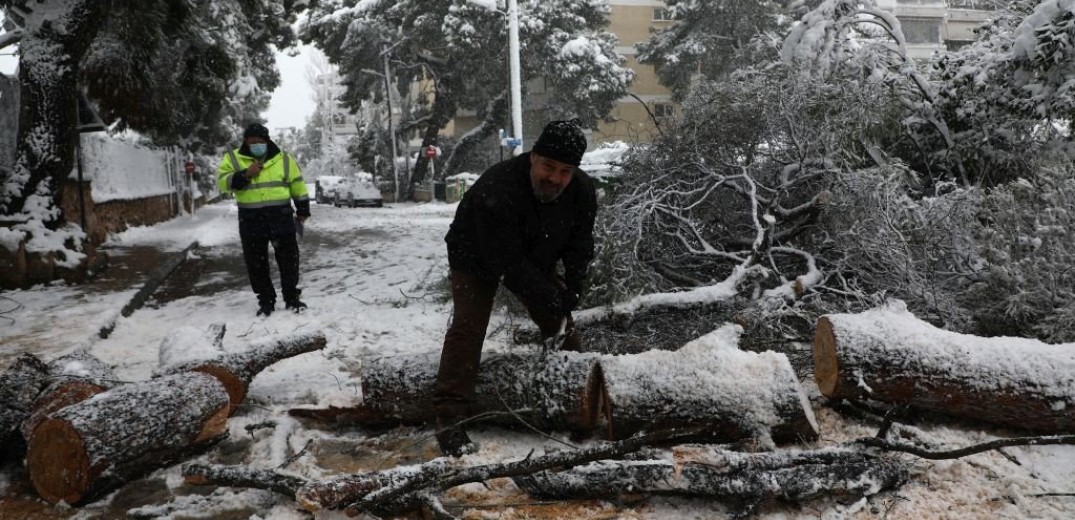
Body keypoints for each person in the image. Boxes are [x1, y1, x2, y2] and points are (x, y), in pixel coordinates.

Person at [433, 119, 598, 456]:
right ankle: (448, 418)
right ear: (533, 157)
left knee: (561, 322)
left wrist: (572, 290)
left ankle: (579, 399)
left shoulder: (581, 192)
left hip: (533, 249)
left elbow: (580, 244)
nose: (554, 178)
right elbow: (506, 265)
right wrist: (550, 294)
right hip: (475, 252)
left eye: (564, 171)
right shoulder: (498, 188)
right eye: (548, 167)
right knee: (469, 325)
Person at [217, 123, 311, 316]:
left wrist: (302, 209)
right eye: (253, 142)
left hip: (281, 217)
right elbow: (222, 183)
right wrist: (245, 174)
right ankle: (266, 301)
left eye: (261, 141)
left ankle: (292, 297)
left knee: (289, 261)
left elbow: (298, 185)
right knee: (256, 264)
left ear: (267, 141)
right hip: (251, 219)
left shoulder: (283, 159)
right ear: (246, 142)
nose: (257, 145)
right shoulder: (233, 159)